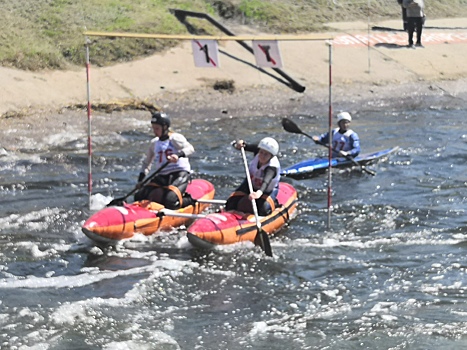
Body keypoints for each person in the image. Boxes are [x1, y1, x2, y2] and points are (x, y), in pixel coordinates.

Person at [134, 111, 195, 209]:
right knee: (139, 196)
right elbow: (146, 163)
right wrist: (140, 180)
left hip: (179, 173)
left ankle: (189, 200)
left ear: (165, 127)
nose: (155, 131)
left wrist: (178, 155)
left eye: (157, 128)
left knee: (170, 200)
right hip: (163, 175)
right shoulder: (154, 143)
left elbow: (190, 149)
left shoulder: (175, 138)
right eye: (153, 128)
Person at [225, 137, 281, 216]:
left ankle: (274, 204)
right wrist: (238, 144)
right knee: (230, 203)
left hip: (266, 190)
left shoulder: (272, 168)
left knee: (264, 209)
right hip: (251, 183)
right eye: (261, 152)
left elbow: (266, 181)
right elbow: (244, 146)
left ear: (271, 156)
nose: (262, 156)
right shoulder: (257, 151)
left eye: (266, 154)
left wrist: (259, 193)